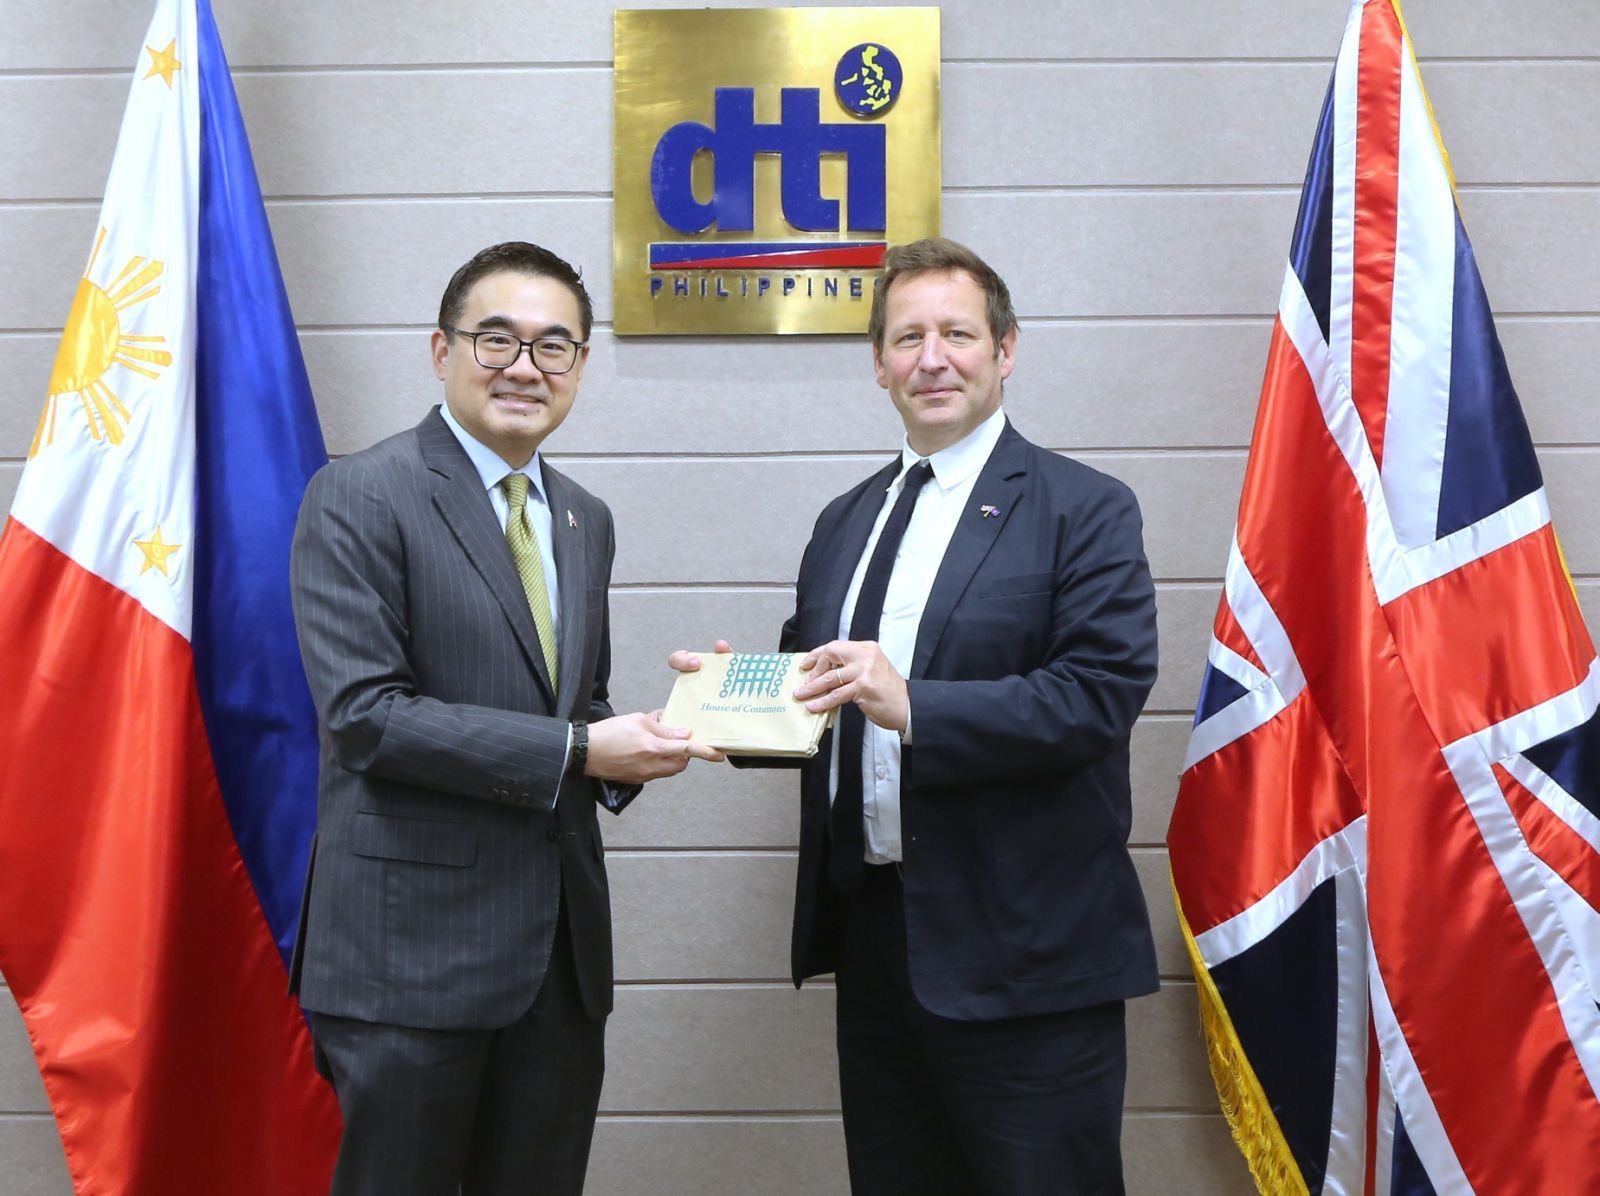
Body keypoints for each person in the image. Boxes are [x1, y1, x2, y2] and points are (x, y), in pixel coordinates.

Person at [672, 238, 1159, 1194]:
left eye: (958, 334)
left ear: (1005, 349)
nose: (932, 358)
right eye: (908, 338)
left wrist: (915, 705)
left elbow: (1098, 695)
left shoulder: (1085, 508)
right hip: (879, 943)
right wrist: (732, 706)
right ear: (879, 363)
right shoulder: (843, 521)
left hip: (1027, 956)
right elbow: (822, 692)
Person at [289, 241, 722, 1196]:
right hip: (407, 963)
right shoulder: (360, 494)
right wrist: (582, 747)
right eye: (497, 339)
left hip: (558, 968)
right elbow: (366, 717)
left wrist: (669, 728)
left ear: (580, 368)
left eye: (554, 345)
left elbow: (578, 708)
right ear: (440, 350)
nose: (526, 366)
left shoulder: (583, 517)